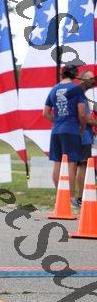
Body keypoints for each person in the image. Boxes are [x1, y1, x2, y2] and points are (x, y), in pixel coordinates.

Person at [43, 64, 86, 198]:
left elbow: (45, 113)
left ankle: (60, 197)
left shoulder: (54, 89)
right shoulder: (77, 89)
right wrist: (82, 128)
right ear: (75, 75)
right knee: (71, 165)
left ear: (62, 74)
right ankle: (70, 198)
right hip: (71, 130)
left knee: (57, 163)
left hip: (56, 131)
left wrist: (57, 121)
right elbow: (82, 113)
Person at [73, 71, 97, 206]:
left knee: (74, 166)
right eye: (90, 78)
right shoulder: (80, 95)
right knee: (82, 165)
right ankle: (80, 197)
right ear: (82, 80)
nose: (92, 81)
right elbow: (86, 118)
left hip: (74, 134)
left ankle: (72, 197)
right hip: (83, 135)